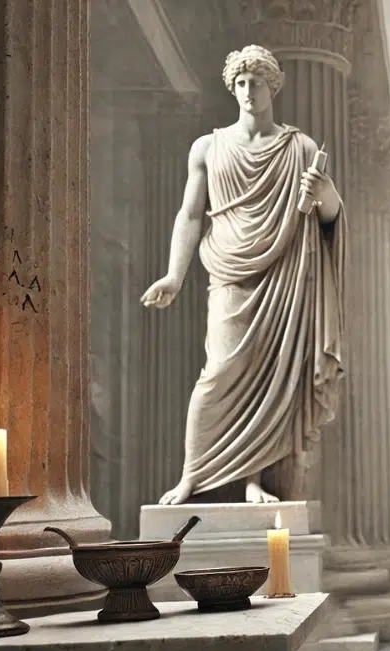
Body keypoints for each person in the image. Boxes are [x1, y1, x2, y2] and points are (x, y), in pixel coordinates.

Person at [141, 45, 345, 505]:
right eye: (240, 83)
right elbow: (191, 215)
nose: (248, 90)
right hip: (230, 272)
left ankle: (254, 481)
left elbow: (328, 217)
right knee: (217, 375)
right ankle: (191, 476)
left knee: (272, 382)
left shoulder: (301, 148)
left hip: (287, 275)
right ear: (232, 88)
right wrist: (174, 275)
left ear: (273, 86)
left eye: (256, 81)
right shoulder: (209, 147)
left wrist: (325, 192)